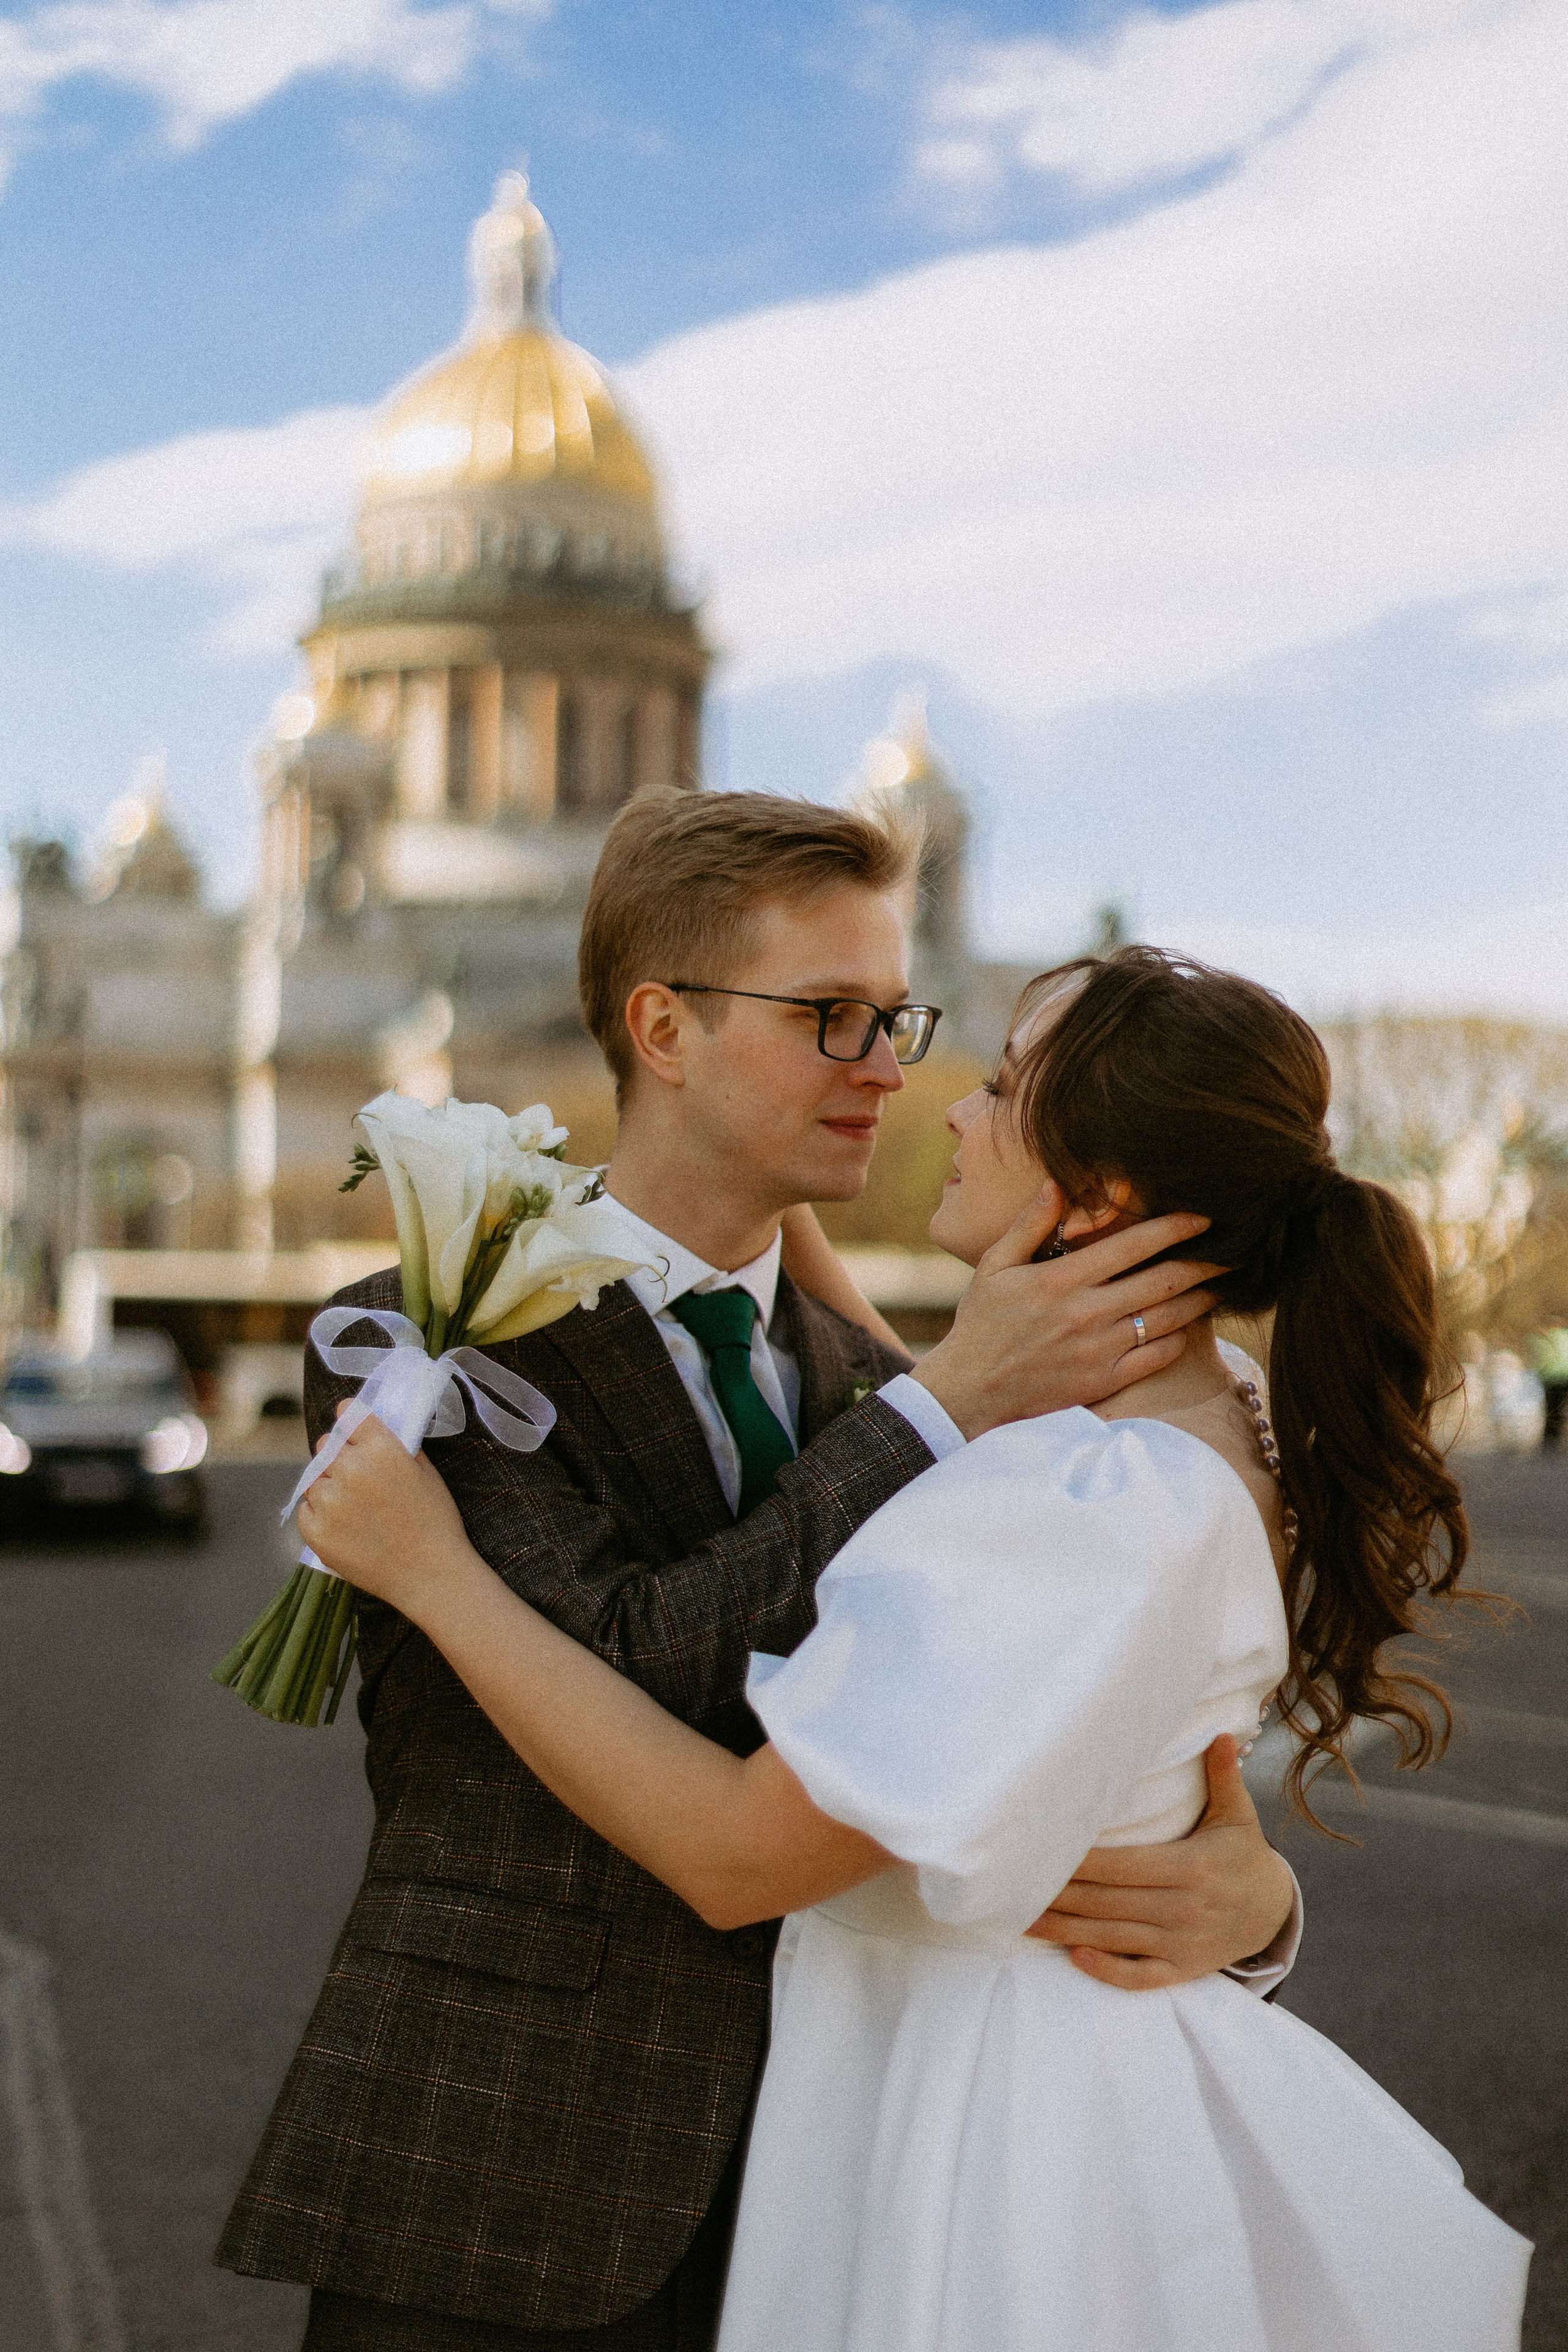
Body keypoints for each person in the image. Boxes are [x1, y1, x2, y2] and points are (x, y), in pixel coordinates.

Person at [298, 945, 1531, 2351]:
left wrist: (436, 1575)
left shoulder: (1090, 1501)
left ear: (1108, 1197)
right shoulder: (1209, 1406)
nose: (936, 1100)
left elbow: (735, 1855)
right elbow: (959, 1441)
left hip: (982, 2136)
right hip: (1057, 2096)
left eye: (1002, 1087)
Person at [217, 796, 1298, 2348]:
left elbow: (1060, 1704)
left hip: (840, 2206)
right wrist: (938, 1406)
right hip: (499, 2192)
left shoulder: (903, 1385)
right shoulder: (419, 1341)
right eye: (832, 1020)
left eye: (897, 1018)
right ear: (663, 1028)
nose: (890, 1069)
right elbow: (650, 1661)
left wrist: (1241, 1884)